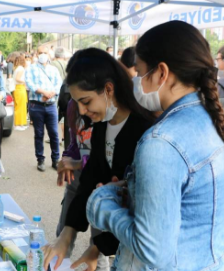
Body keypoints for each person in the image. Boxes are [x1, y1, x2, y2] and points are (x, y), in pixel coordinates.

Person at [86, 21, 224, 271]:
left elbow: (153, 251)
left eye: (139, 72)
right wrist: (133, 190)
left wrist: (101, 204)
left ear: (161, 72)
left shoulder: (161, 142)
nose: (136, 81)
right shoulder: (211, 119)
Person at [42, 48, 154, 271]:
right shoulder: (103, 126)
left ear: (108, 89)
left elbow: (144, 209)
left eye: (86, 101)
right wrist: (67, 232)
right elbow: (90, 178)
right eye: (77, 103)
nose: (82, 111)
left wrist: (98, 247)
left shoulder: (145, 130)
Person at [25, 45, 62, 172]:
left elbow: (58, 84)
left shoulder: (53, 69)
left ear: (49, 54)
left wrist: (50, 94)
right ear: (36, 54)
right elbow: (29, 83)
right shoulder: (31, 68)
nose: (42, 55)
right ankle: (40, 159)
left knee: (54, 134)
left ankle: (56, 159)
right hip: (36, 105)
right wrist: (44, 93)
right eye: (40, 52)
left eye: (45, 52)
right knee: (39, 134)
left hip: (51, 105)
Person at [12, 54, 28, 131]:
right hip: (20, 88)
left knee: (18, 106)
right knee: (20, 107)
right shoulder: (21, 68)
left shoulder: (17, 68)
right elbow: (18, 78)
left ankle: (19, 123)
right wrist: (25, 82)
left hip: (17, 88)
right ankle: (18, 124)